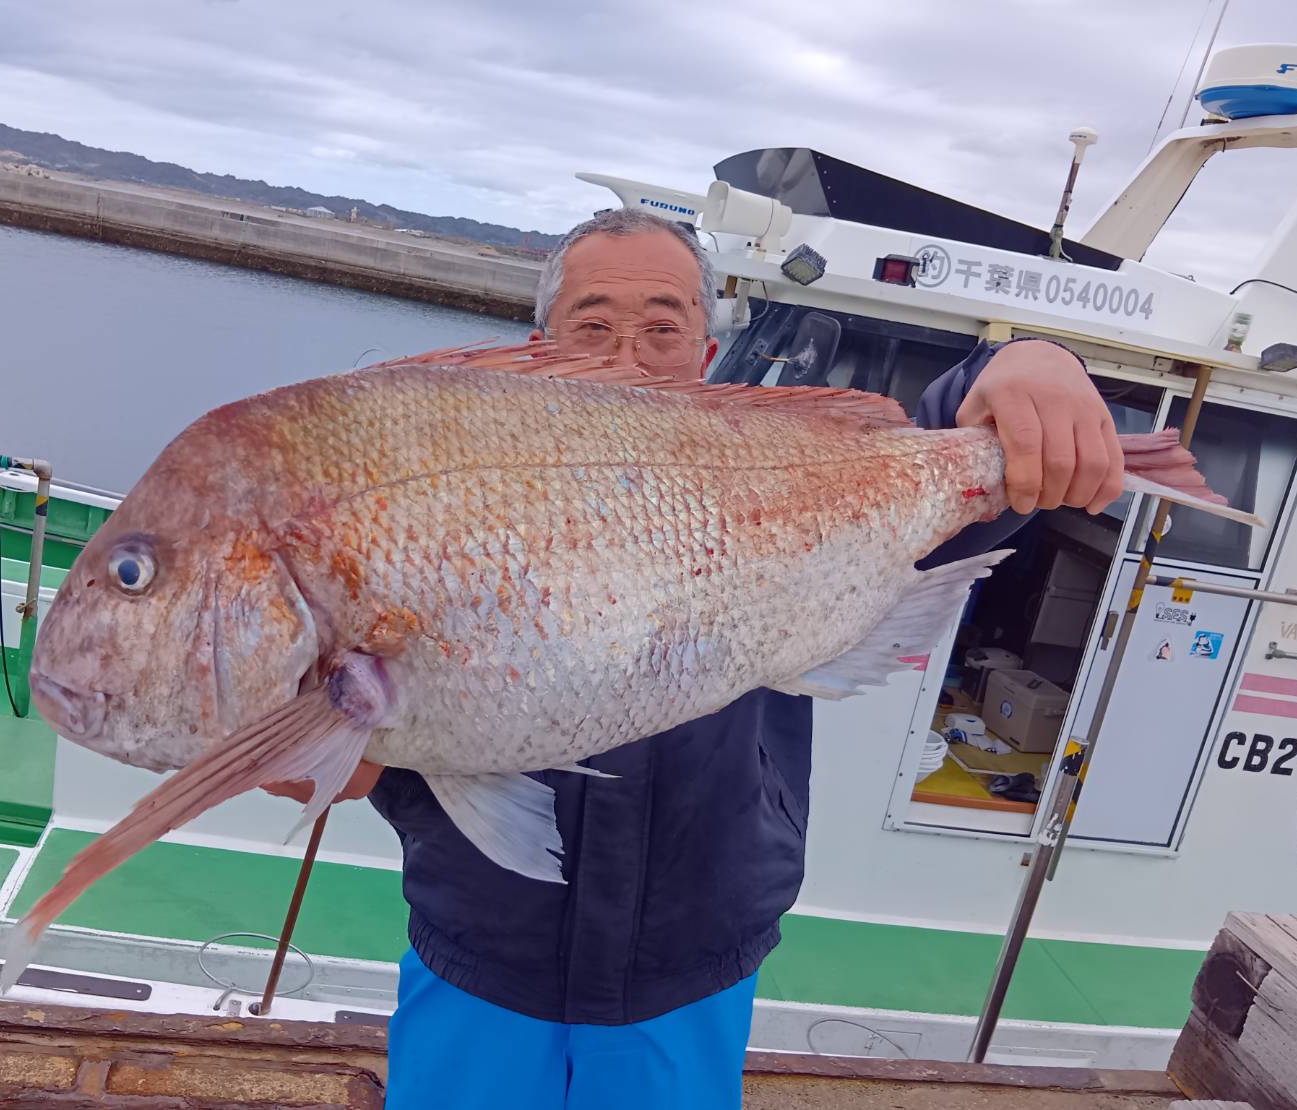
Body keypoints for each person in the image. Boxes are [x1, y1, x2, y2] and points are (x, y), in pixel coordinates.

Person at [272, 208, 1125, 1108]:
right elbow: (368, 735)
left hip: (692, 958)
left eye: (664, 328)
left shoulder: (781, 475)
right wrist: (318, 745)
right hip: (480, 943)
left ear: (707, 358)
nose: (627, 355)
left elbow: (925, 468)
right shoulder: (451, 490)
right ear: (536, 352)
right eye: (592, 327)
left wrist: (1030, 359)